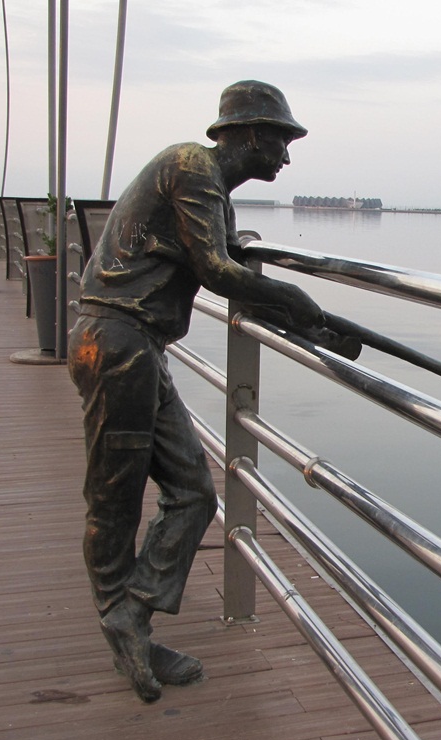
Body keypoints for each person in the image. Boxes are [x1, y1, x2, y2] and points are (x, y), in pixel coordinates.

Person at [67, 81, 328, 703]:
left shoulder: (213, 192)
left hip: (138, 347)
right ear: (252, 134)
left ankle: (131, 615)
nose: (287, 156)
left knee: (194, 492)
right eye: (282, 139)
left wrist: (313, 325)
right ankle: (121, 623)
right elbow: (216, 271)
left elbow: (226, 262)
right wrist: (292, 297)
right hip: (117, 343)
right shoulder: (192, 166)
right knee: (114, 498)